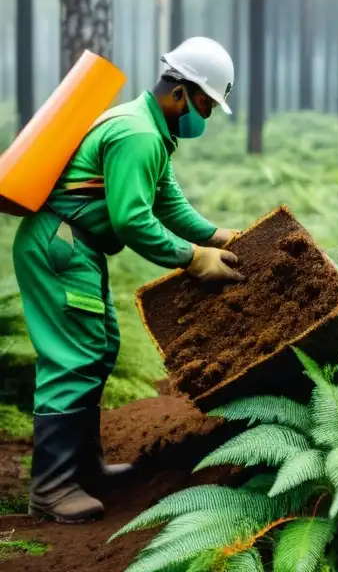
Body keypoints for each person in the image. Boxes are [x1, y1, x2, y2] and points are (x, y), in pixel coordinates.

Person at [13, 36, 246, 524]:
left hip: (75, 246)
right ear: (181, 92)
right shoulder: (137, 134)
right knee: (72, 358)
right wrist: (192, 259)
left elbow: (168, 204)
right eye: (205, 103)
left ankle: (84, 468)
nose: (204, 114)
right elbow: (133, 221)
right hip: (60, 244)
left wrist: (216, 235)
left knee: (98, 348)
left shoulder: (152, 131)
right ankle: (51, 489)